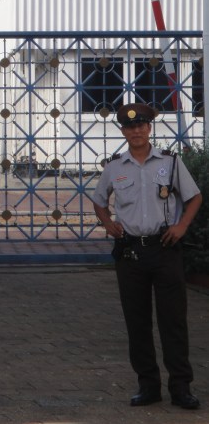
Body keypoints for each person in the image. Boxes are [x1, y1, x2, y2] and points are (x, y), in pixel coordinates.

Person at [93, 103, 203, 410]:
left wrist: (182, 226)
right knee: (137, 322)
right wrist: (107, 223)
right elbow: (99, 202)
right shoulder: (115, 167)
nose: (136, 130)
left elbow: (194, 196)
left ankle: (181, 387)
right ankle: (148, 386)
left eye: (141, 125)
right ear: (123, 132)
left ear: (149, 128)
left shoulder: (170, 162)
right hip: (130, 253)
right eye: (130, 127)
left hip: (165, 249)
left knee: (174, 322)